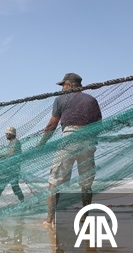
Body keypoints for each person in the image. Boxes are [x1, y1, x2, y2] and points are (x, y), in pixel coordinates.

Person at [36, 73, 103, 226]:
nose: (61, 89)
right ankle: (85, 217)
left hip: (69, 138)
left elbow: (51, 126)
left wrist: (41, 144)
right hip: (88, 140)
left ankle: (50, 219)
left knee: (55, 181)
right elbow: (99, 124)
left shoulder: (60, 99)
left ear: (69, 85)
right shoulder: (92, 100)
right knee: (86, 183)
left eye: (63, 85)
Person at [0, 126, 25, 209]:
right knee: (0, 185)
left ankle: (23, 202)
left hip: (13, 169)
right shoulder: (11, 142)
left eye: (7, 134)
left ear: (11, 134)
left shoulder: (16, 142)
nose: (6, 135)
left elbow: (11, 152)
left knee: (15, 186)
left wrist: (1, 155)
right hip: (7, 168)